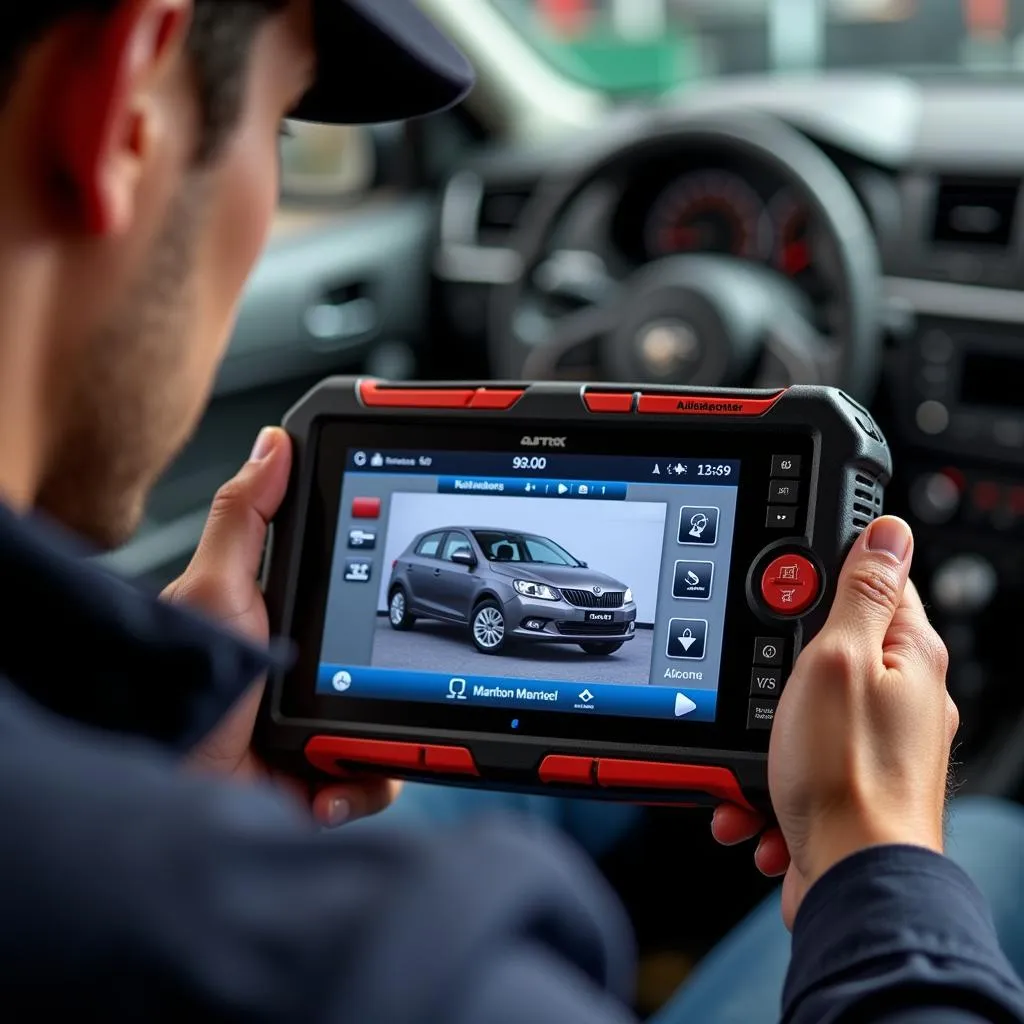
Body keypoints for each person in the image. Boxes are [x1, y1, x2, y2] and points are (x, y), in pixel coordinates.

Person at [0, 1, 1021, 1020]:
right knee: (989, 849)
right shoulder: (394, 972)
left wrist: (188, 793)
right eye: (281, 129)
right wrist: (880, 864)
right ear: (123, 107)